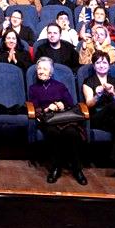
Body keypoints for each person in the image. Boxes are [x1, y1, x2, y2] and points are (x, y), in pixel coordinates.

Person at [81, 53, 115, 184]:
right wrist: (98, 94)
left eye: (104, 63)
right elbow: (88, 104)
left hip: (113, 119)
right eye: (98, 63)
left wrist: (112, 94)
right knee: (113, 106)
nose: (101, 65)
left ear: (109, 65)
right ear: (94, 66)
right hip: (97, 117)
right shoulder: (89, 81)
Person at [29, 57, 86, 185]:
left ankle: (77, 169)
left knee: (72, 132)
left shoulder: (60, 86)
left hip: (64, 118)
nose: (41, 71)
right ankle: (56, 168)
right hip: (47, 119)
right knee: (52, 132)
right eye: (39, 68)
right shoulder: (34, 88)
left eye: (44, 69)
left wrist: (61, 105)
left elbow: (71, 103)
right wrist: (48, 108)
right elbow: (35, 106)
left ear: (51, 72)